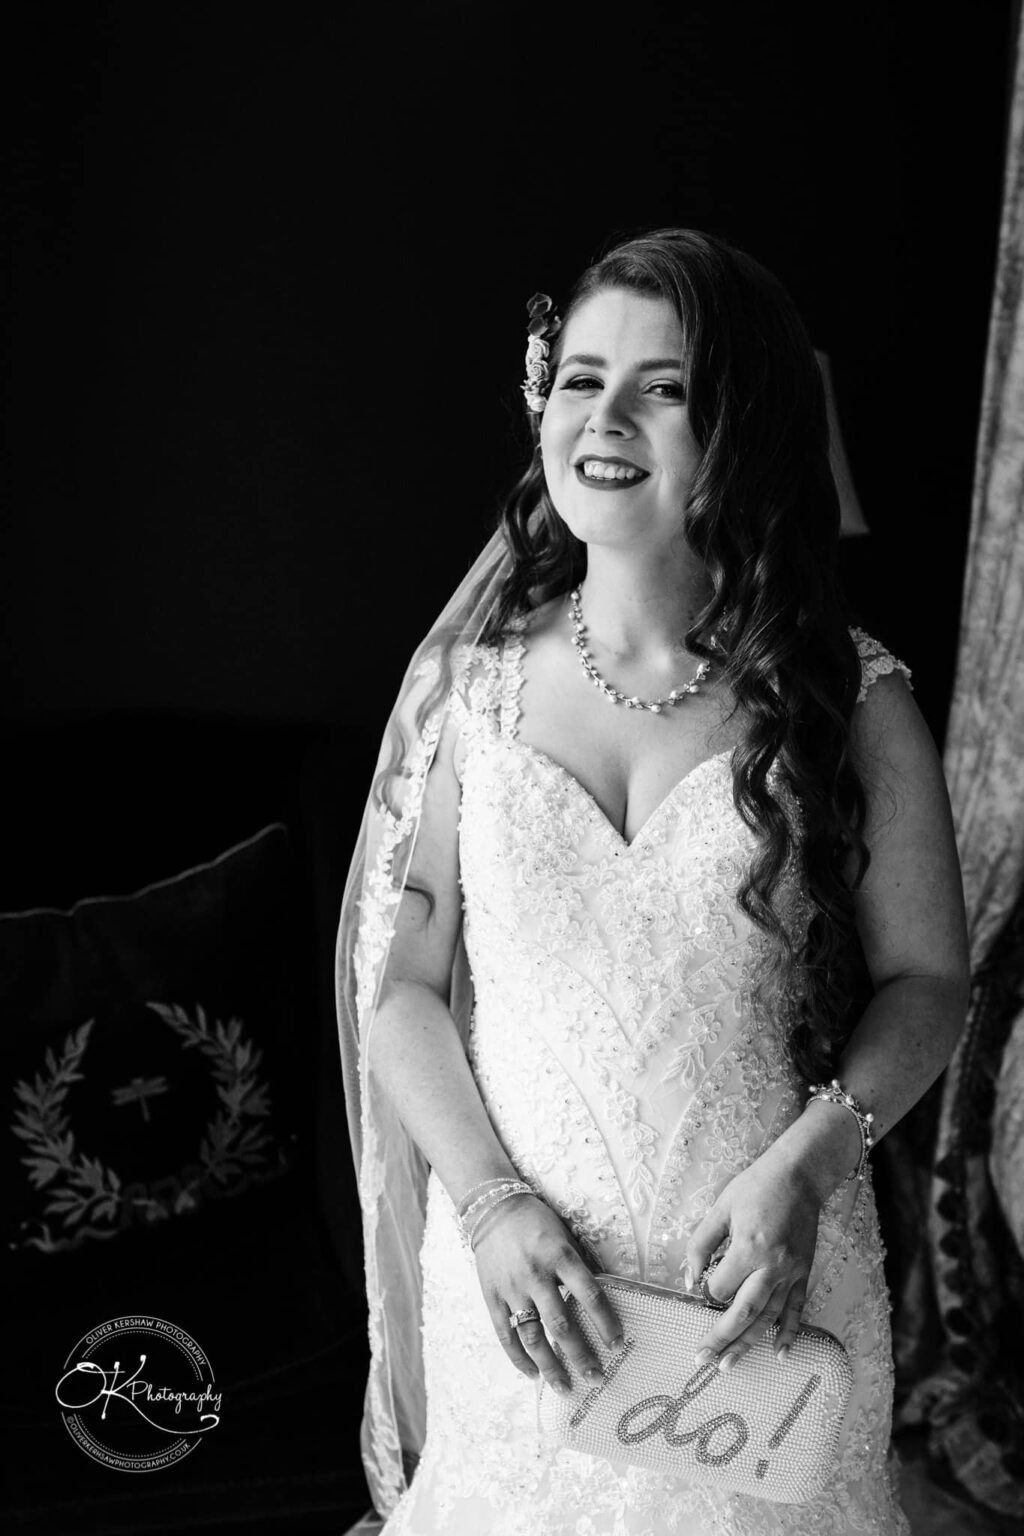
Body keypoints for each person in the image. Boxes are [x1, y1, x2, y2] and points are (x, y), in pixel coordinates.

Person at [335, 228, 970, 1535]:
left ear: (744, 426)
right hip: (522, 1311)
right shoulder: (476, 696)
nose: (606, 415)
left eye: (663, 386)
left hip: (762, 1309)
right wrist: (493, 1205)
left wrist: (808, 1167)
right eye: (579, 377)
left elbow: (931, 981)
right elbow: (399, 986)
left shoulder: (851, 699)